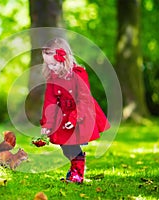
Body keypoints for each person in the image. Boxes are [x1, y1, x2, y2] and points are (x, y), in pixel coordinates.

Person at [40, 38, 110, 183]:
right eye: (48, 64)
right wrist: (47, 125)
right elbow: (50, 103)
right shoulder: (52, 78)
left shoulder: (78, 74)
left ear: (64, 59)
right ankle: (75, 166)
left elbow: (85, 98)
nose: (51, 68)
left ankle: (77, 174)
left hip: (80, 113)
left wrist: (74, 118)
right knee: (65, 145)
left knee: (72, 145)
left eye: (54, 64)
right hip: (63, 115)